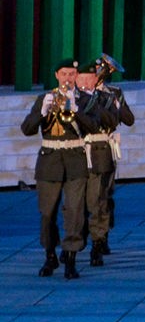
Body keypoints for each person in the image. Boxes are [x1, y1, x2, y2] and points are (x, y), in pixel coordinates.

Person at [22, 59, 96, 279]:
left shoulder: (85, 100)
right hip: (49, 161)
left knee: (74, 212)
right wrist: (42, 111)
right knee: (47, 213)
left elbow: (94, 125)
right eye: (64, 74)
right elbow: (27, 129)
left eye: (72, 74)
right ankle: (50, 254)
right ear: (56, 75)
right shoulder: (44, 98)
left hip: (75, 161)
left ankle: (71, 258)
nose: (68, 78)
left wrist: (76, 110)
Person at [75, 57, 135, 266]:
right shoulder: (76, 95)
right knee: (82, 199)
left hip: (104, 150)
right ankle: (85, 234)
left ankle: (100, 239)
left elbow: (128, 119)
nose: (100, 74)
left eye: (101, 72)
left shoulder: (113, 94)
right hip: (83, 149)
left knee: (103, 197)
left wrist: (115, 105)